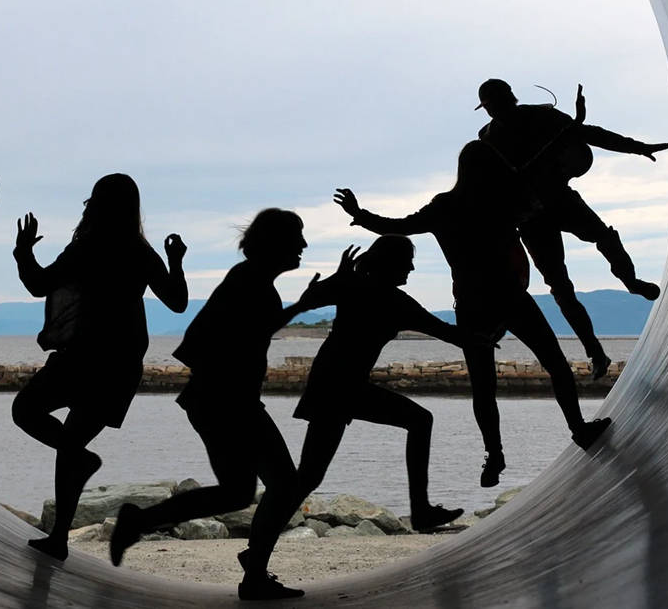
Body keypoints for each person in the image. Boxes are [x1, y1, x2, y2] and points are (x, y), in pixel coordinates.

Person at [335, 141, 612, 489]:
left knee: (484, 387)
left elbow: (399, 226)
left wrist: (359, 214)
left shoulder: (444, 206)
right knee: (555, 363)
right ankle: (579, 429)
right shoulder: (503, 201)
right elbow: (535, 194)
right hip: (511, 297)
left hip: (472, 304)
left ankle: (494, 454)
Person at [110, 208, 322, 601]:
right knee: (283, 484)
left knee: (238, 492)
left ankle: (140, 522)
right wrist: (302, 306)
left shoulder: (251, 279)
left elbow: (249, 329)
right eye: (297, 237)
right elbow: (236, 332)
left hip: (217, 400)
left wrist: (300, 307)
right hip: (227, 402)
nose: (303, 245)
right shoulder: (249, 279)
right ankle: (253, 573)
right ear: (275, 243)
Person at [12, 173, 188, 562]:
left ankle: (60, 532)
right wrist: (176, 261)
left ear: (97, 206)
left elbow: (39, 284)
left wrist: (23, 252)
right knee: (70, 444)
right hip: (119, 365)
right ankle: (61, 527)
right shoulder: (140, 252)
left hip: (81, 357)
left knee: (25, 411)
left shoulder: (86, 247)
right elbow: (177, 302)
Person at [476, 78, 668, 380]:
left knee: (604, 237)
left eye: (494, 104)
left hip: (560, 199)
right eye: (489, 107)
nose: (493, 111)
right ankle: (596, 352)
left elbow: (588, 133)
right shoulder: (487, 139)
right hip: (530, 218)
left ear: (509, 99)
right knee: (561, 287)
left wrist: (636, 147)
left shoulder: (542, 116)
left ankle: (631, 282)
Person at [283, 237, 473, 538]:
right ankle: (421, 511)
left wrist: (337, 279)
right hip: (338, 388)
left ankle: (261, 535)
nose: (411, 268)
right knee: (310, 474)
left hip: (335, 385)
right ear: (391, 263)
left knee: (309, 475)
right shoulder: (393, 301)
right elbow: (450, 333)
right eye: (408, 262)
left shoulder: (358, 287)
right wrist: (485, 334)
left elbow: (308, 300)